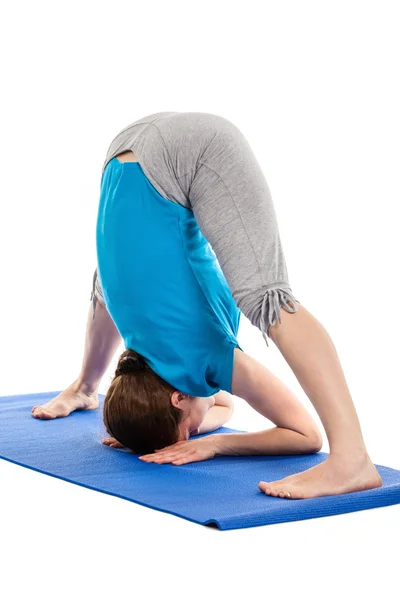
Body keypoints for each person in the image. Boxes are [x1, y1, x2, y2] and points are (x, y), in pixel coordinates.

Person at [32, 111, 382, 500]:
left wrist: (214, 445)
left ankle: (352, 460)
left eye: (189, 431)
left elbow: (304, 434)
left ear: (177, 397)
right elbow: (221, 405)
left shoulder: (206, 359)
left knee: (265, 298)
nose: (198, 432)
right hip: (125, 157)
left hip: (195, 150)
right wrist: (162, 425)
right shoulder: (142, 348)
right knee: (107, 284)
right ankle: (85, 386)